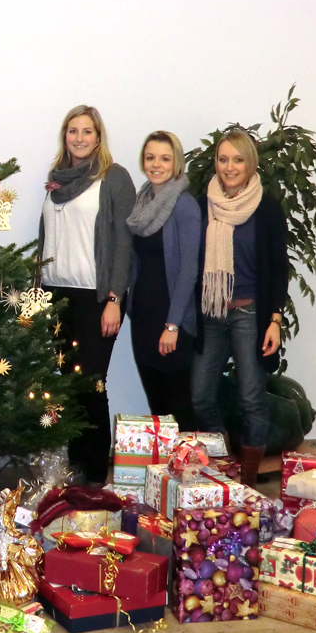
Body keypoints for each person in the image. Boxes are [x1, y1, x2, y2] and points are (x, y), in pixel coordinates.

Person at [39, 105, 136, 484]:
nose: (79, 138)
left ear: (98, 138)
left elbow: (124, 244)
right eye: (73, 131)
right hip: (55, 295)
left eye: (87, 131)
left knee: (92, 385)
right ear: (65, 136)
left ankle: (95, 475)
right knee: (67, 385)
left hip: (95, 298)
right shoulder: (56, 180)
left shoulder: (114, 177)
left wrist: (115, 299)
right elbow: (47, 238)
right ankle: (76, 467)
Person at [190, 129, 288, 487]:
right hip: (211, 312)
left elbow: (278, 268)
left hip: (250, 314)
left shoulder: (267, 208)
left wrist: (275, 320)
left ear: (250, 163)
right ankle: (223, 465)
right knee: (200, 396)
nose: (229, 167)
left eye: (237, 159)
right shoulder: (203, 204)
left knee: (251, 399)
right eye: (223, 159)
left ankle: (245, 483)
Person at [126, 131, 201, 430]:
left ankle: (191, 460)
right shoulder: (142, 202)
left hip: (172, 322)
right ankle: (166, 461)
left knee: (179, 404)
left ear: (177, 163)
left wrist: (172, 325)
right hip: (143, 319)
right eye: (150, 158)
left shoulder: (184, 205)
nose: (156, 165)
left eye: (165, 159)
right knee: (157, 405)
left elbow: (189, 270)